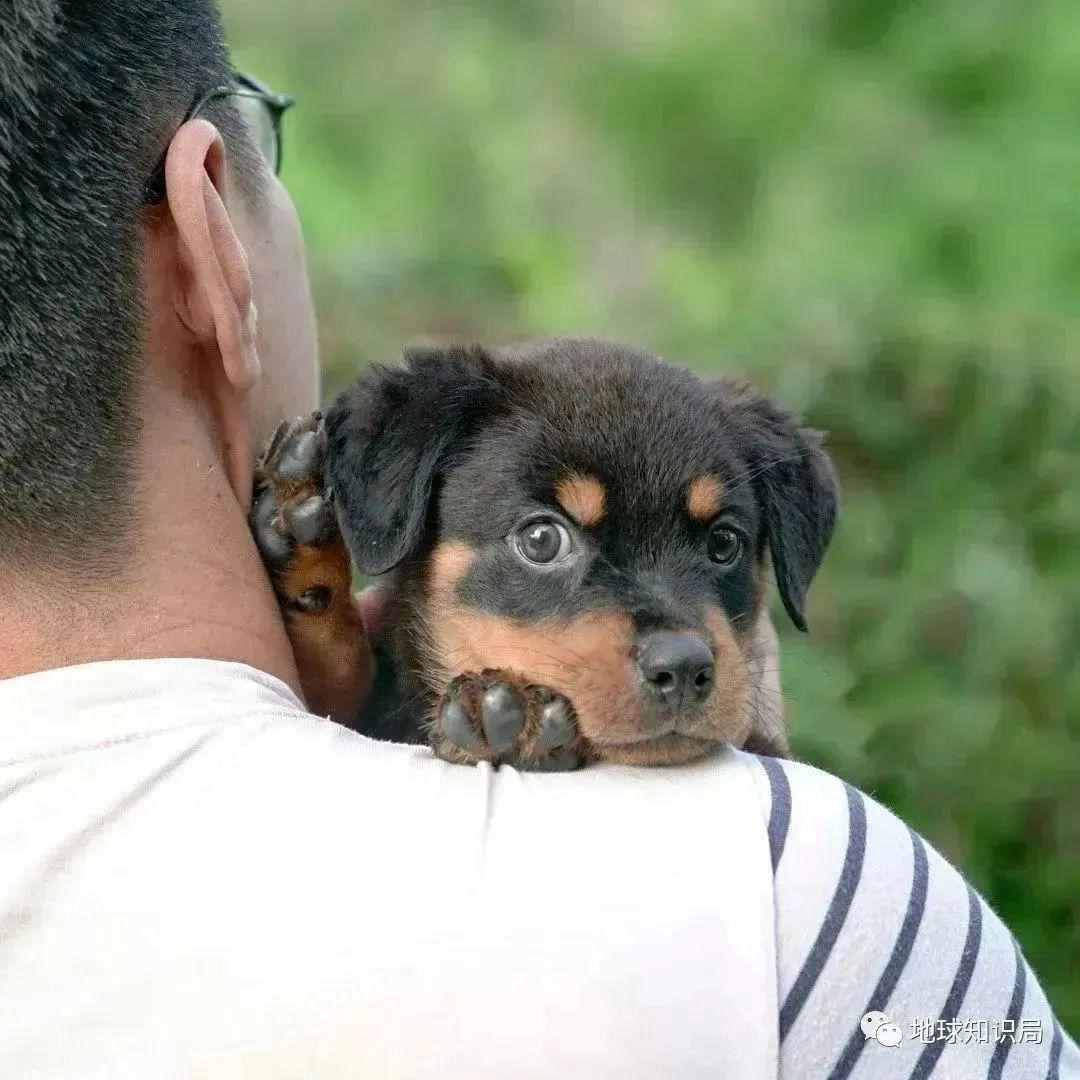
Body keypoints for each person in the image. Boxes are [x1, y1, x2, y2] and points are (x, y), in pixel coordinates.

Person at [0, 3, 1075, 1077]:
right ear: (206, 242)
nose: (680, 642)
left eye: (718, 550)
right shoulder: (786, 903)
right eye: (546, 540)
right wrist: (773, 819)